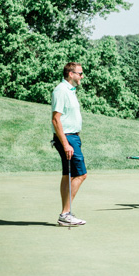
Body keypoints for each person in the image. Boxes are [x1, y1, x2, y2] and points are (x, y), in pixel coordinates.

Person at [51, 62, 88, 227]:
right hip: (67, 138)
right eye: (80, 73)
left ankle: (65, 213)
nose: (82, 76)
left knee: (68, 174)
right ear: (70, 74)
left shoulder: (70, 91)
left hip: (72, 137)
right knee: (81, 175)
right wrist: (66, 144)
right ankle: (65, 214)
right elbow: (55, 119)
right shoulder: (61, 90)